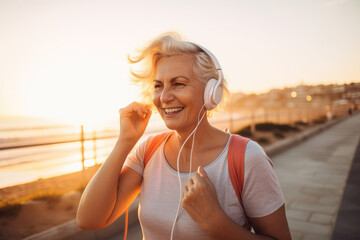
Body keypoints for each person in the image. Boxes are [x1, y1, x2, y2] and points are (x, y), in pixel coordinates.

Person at [76, 32, 292, 240]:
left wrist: (217, 224)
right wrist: (124, 143)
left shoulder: (247, 158)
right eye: (158, 86)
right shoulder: (148, 150)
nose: (164, 97)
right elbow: (89, 219)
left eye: (178, 83)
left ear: (211, 93)